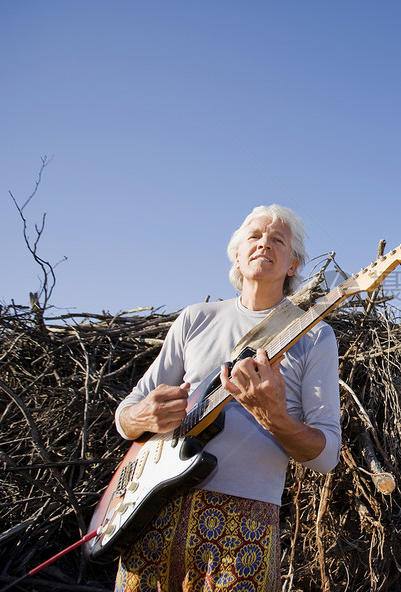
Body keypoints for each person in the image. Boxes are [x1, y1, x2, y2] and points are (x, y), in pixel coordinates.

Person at [112, 204, 341, 592]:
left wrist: (274, 418)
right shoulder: (195, 318)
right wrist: (144, 417)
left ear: (293, 265)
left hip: (244, 528)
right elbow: (125, 416)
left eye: (277, 240)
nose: (264, 243)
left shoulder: (314, 336)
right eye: (254, 236)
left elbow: (327, 455)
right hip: (150, 513)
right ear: (237, 255)